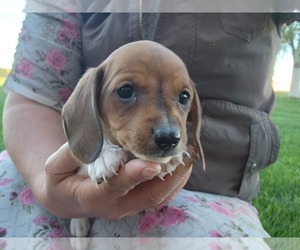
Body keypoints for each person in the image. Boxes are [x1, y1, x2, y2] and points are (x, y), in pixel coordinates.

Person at [0, 0, 299, 240]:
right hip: (55, 178)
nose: (168, 130)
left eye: (182, 99)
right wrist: (61, 193)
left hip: (202, 198)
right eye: (126, 91)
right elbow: (31, 100)